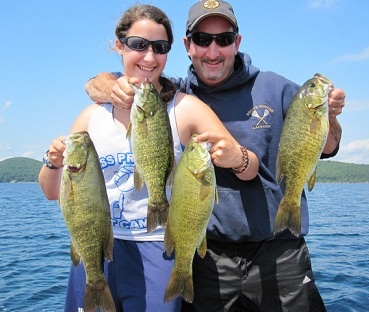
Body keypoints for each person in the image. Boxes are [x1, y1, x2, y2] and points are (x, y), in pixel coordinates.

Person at [85, 1, 346, 311]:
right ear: (187, 45)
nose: (212, 51)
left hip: (280, 251)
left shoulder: (276, 87)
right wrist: (108, 85)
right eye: (201, 39)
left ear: (237, 42)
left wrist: (329, 116)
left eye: (223, 40)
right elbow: (107, 81)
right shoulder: (178, 94)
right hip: (207, 255)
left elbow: (327, 146)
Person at [39, 4, 258, 312]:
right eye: (138, 45)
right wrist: (53, 160)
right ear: (119, 45)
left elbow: (248, 169)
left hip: (157, 247)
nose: (149, 57)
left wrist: (239, 158)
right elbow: (51, 192)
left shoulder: (186, 108)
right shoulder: (91, 116)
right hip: (97, 246)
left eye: (160, 47)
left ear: (170, 52)